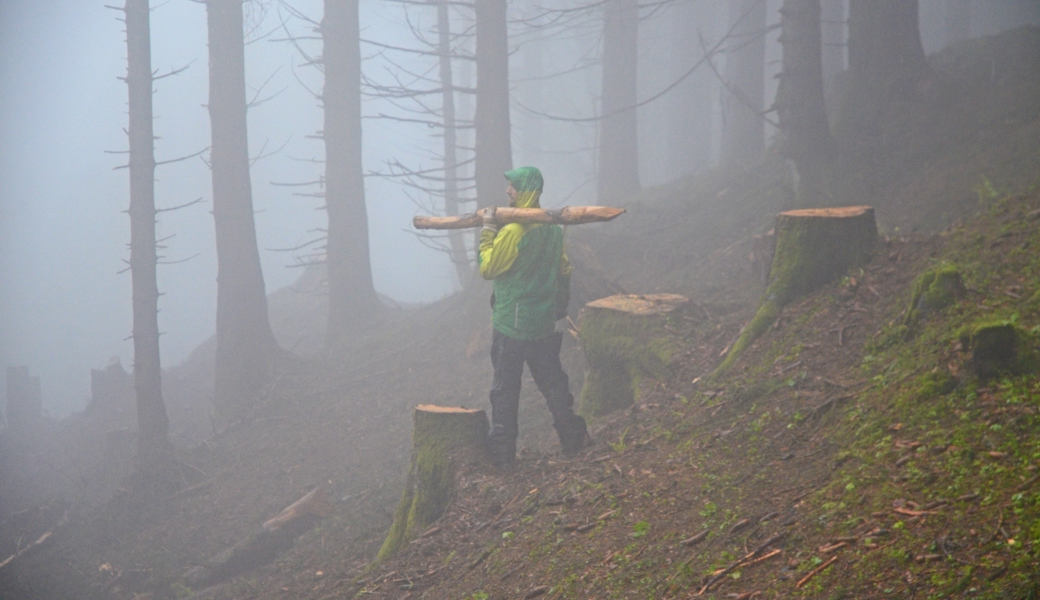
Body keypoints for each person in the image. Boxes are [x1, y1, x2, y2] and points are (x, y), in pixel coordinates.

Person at [478, 166, 587, 468]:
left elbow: (488, 268)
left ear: (524, 190)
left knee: (504, 392)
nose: (508, 192)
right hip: (541, 325)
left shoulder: (513, 232)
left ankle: (501, 458)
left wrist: (488, 231)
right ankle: (574, 440)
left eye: (512, 186)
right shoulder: (552, 228)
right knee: (554, 384)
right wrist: (559, 305)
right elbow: (564, 270)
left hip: (511, 328)